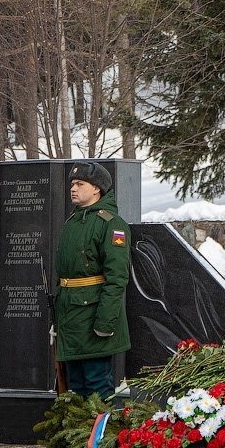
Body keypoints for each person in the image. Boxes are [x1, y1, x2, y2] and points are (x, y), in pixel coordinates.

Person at [53, 161, 131, 400]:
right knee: (76, 384)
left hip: (94, 315)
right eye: (72, 184)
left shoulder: (111, 224)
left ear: (96, 188)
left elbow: (116, 278)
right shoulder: (73, 222)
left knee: (97, 384)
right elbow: (67, 277)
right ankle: (80, 436)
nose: (73, 189)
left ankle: (99, 437)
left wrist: (105, 322)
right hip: (71, 316)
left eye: (80, 184)